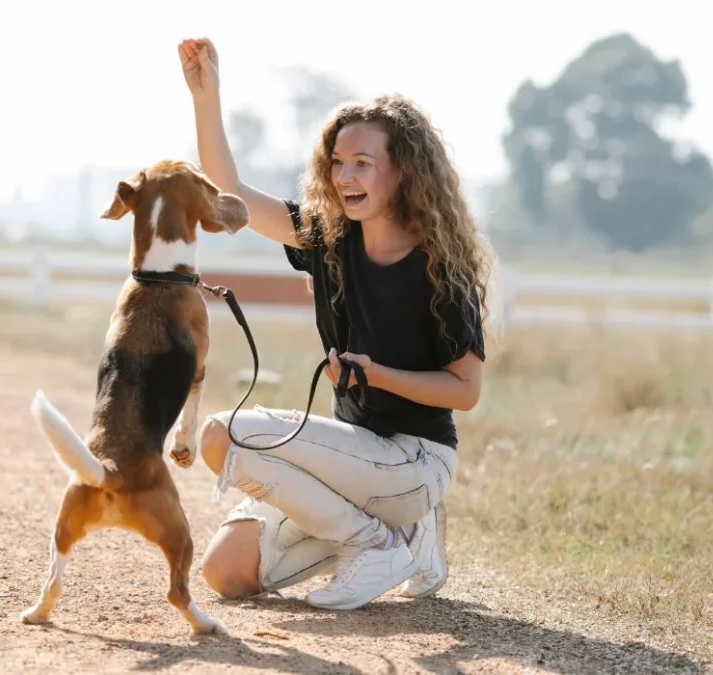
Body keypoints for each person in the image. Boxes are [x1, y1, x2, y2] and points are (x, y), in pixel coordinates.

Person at [177, 37, 493, 611]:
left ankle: (375, 541)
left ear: (402, 173)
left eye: (363, 163)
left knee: (221, 435)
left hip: (415, 462)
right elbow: (233, 195)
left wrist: (378, 374)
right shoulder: (327, 239)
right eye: (338, 163)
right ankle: (404, 539)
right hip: (354, 460)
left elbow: (466, 392)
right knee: (227, 574)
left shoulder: (442, 268)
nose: (346, 175)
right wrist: (206, 97)